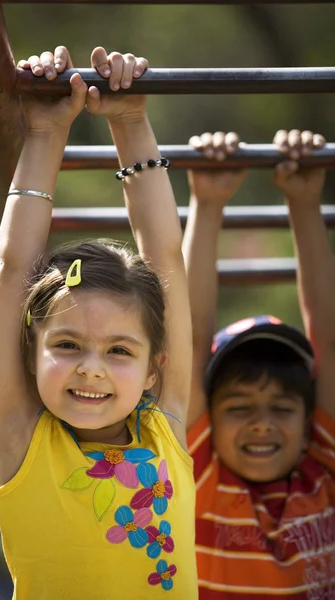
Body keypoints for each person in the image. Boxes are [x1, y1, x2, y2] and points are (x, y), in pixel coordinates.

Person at [0, 46, 198, 600]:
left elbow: (166, 259)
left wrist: (131, 122)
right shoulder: (20, 443)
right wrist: (45, 133)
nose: (91, 369)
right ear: (30, 354)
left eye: (121, 351)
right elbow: (12, 272)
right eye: (68, 344)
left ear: (156, 369)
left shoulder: (164, 428)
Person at [183, 130, 335, 598]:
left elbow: (328, 342)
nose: (262, 424)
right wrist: (207, 205)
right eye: (240, 407)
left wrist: (305, 202)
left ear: (309, 420)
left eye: (281, 407)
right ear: (210, 414)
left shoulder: (323, 473)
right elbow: (188, 346)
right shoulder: (201, 477)